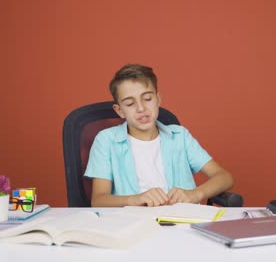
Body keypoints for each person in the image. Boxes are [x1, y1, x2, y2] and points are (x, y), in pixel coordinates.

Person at [84, 64, 234, 207]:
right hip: (132, 225)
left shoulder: (180, 136)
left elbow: (224, 177)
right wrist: (136, 199)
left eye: (148, 99)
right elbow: (99, 200)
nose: (141, 108)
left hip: (180, 222)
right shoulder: (106, 140)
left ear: (158, 99)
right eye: (130, 103)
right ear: (119, 111)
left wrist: (196, 194)